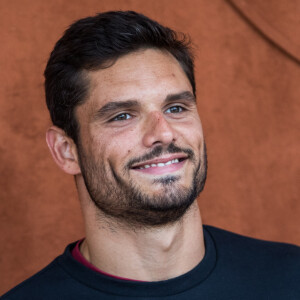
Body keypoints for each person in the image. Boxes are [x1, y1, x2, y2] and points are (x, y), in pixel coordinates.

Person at [1, 10, 300, 300]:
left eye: (176, 108)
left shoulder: (291, 276)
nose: (164, 133)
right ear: (67, 151)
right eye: (122, 116)